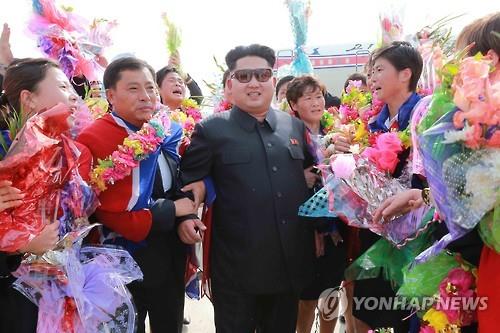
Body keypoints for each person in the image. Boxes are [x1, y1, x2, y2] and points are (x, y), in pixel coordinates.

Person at [179, 44, 315, 333]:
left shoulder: (293, 127)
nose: (254, 82)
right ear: (230, 85)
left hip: (287, 266)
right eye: (244, 76)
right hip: (237, 270)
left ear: (273, 81)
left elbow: (312, 175)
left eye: (262, 74)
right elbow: (188, 185)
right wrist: (187, 218)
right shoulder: (211, 130)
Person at [77, 57, 198, 333]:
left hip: (171, 251)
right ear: (111, 95)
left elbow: (181, 182)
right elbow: (101, 206)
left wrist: (186, 216)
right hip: (120, 260)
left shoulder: (170, 130)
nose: (145, 97)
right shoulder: (93, 139)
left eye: (150, 88)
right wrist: (173, 210)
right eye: (133, 89)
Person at [0, 57, 83, 333]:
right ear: (29, 99)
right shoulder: (5, 156)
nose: (73, 95)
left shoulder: (64, 151)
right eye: (62, 86)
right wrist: (22, 245)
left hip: (55, 293)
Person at [286, 75, 348, 333]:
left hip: (337, 225)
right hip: (303, 228)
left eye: (319, 96)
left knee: (332, 289)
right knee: (308, 295)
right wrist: (299, 178)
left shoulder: (336, 134)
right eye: (308, 97)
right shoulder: (288, 136)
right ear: (293, 104)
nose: (316, 102)